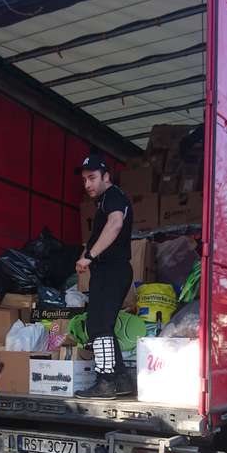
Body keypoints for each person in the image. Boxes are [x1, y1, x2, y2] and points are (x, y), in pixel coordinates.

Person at [74, 152, 134, 399]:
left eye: (92, 178)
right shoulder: (106, 199)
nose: (88, 184)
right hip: (111, 271)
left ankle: (105, 381)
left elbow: (116, 224)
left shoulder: (113, 196)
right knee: (103, 324)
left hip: (112, 270)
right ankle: (120, 379)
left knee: (98, 326)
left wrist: (91, 255)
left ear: (106, 176)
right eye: (84, 180)